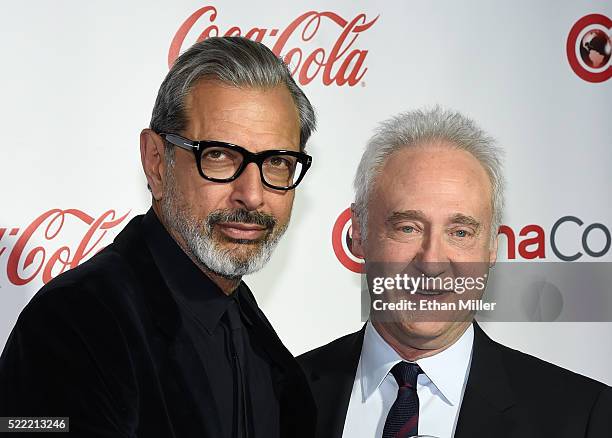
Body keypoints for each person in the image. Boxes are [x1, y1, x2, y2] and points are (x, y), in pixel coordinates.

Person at [0, 36, 317, 438]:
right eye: (219, 155)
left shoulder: (259, 342)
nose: (252, 194)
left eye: (276, 162)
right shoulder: (73, 325)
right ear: (156, 162)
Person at [298, 107, 612, 437]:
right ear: (359, 234)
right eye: (408, 227)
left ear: (492, 247)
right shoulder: (280, 394)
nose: (432, 262)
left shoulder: (581, 417)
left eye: (460, 232)